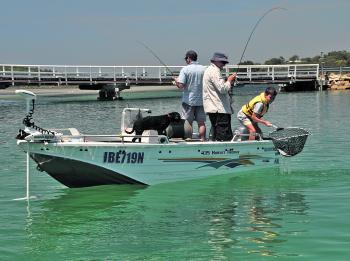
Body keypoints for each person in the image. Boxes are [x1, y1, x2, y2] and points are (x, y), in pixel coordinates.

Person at [203, 52, 237, 141]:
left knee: (217, 132)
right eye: (223, 62)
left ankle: (216, 152)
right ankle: (224, 151)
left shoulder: (209, 70)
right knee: (223, 134)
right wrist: (229, 80)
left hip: (214, 108)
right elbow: (222, 89)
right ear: (216, 61)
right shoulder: (214, 71)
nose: (224, 65)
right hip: (219, 109)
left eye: (225, 63)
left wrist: (227, 82)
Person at [175, 50, 206, 140]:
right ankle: (203, 139)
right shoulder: (204, 69)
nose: (186, 60)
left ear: (189, 58)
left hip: (188, 101)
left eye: (186, 58)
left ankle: (189, 139)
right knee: (201, 123)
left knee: (188, 122)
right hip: (202, 101)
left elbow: (181, 85)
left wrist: (176, 82)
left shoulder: (185, 69)